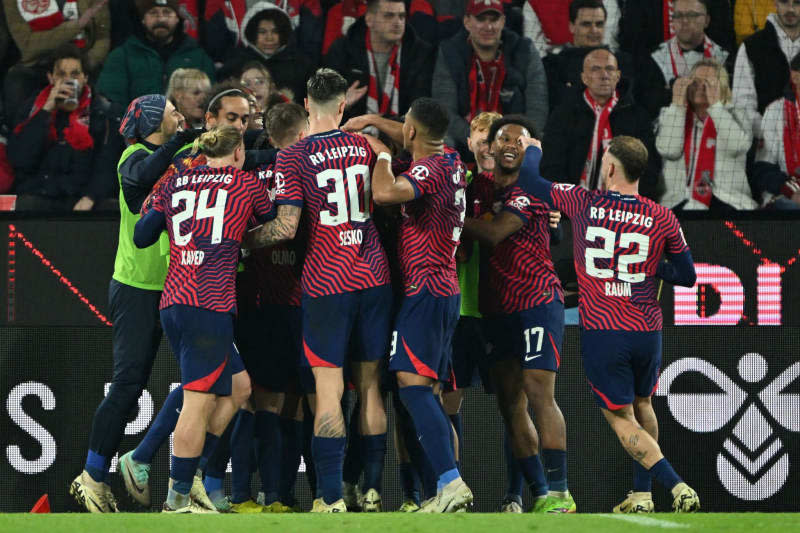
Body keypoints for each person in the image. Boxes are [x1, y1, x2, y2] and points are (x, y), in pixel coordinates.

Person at [516, 134, 700, 514]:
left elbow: (530, 183)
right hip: (647, 328)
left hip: (604, 327)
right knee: (643, 403)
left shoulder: (584, 201)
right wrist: (650, 266)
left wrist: (533, 146)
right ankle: (641, 494)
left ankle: (676, 484)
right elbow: (687, 276)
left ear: (611, 168)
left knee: (619, 416)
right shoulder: (662, 216)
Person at [116, 83, 273, 513]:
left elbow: (143, 234)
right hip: (211, 302)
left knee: (238, 388)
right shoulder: (244, 186)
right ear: (238, 153)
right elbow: (272, 222)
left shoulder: (176, 180)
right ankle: (177, 497)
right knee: (198, 401)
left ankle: (190, 472)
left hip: (175, 298)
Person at [243, 68, 391, 513]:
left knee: (327, 389)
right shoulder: (365, 146)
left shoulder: (294, 156)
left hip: (327, 280)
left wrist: (241, 240)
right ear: (343, 106)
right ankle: (371, 490)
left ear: (307, 105)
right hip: (375, 275)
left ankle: (329, 498)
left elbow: (286, 227)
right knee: (368, 388)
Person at [69, 93, 195, 513]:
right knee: (128, 385)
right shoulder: (133, 156)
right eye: (173, 111)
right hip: (138, 286)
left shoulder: (179, 152)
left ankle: (164, 469)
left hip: (178, 283)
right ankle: (92, 476)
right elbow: (143, 174)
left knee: (204, 381)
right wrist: (177, 146)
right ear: (155, 122)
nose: (181, 116)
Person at [357, 97, 472, 513]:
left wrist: (383, 155)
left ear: (410, 133)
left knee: (412, 387)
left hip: (424, 290)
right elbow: (413, 131)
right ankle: (441, 488)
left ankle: (450, 482)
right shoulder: (454, 160)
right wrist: (373, 119)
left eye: (402, 126)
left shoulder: (430, 169)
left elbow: (386, 192)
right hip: (444, 290)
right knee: (429, 392)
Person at [461, 114, 573, 514]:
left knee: (539, 389)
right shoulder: (478, 188)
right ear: (488, 147)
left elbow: (493, 233)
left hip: (536, 301)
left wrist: (452, 220)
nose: (510, 144)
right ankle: (541, 493)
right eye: (502, 138)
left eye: (518, 140)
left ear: (528, 149)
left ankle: (561, 491)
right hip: (495, 309)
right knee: (510, 404)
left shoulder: (531, 187)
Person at [8, 43, 117, 211]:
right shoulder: (32, 108)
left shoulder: (101, 111)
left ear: (85, 78)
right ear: (50, 78)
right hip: (40, 194)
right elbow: (21, 160)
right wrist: (46, 110)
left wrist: (91, 196)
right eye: (61, 74)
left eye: (75, 74)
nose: (68, 80)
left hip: (81, 196)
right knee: (24, 205)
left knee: (110, 209)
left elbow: (107, 163)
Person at [432, 0, 548, 157]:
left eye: (494, 20)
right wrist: (482, 141)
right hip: (464, 142)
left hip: (514, 144)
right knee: (441, 140)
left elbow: (537, 108)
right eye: (481, 19)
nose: (488, 27)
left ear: (503, 22)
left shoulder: (524, 51)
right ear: (467, 22)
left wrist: (510, 141)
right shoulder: (450, 52)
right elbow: (445, 111)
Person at [541, 48, 660, 200]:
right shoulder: (563, 115)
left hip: (622, 208)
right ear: (584, 78)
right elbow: (551, 165)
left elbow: (648, 167)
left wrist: (630, 203)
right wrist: (567, 203)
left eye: (609, 69)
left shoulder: (637, 116)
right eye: (596, 69)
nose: (604, 75)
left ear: (618, 76)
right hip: (572, 207)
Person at [656, 58, 756, 211]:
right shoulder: (670, 114)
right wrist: (677, 104)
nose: (700, 87)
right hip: (678, 201)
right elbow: (669, 151)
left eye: (708, 83)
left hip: (727, 200)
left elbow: (738, 147)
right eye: (695, 82)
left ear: (722, 87)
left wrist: (716, 107)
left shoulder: (737, 115)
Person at [323, 0, 434, 120]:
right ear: (369, 20)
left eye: (402, 16)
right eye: (388, 16)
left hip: (402, 133)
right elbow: (321, 109)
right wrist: (341, 105)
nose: (397, 23)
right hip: (351, 132)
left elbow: (421, 110)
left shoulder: (420, 53)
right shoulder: (342, 50)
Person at [95, 0, 215, 110]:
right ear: (143, 19)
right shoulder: (122, 56)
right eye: (153, 13)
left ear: (177, 18)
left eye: (167, 13)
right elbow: (111, 100)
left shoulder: (198, 57)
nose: (161, 19)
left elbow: (211, 99)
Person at [2, 0, 110, 116]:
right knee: (17, 81)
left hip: (84, 61)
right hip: (38, 63)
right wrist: (77, 26)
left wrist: (86, 63)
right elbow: (28, 46)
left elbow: (102, 38)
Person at [638, 0, 730, 118]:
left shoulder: (725, 57)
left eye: (692, 15)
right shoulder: (654, 58)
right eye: (679, 15)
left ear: (707, 20)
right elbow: (650, 103)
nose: (684, 21)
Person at [542, 0, 635, 111]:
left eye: (599, 24)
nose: (594, 30)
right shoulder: (552, 65)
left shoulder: (623, 63)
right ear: (571, 26)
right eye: (586, 24)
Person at [220, 2, 315, 103]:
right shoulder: (234, 65)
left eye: (275, 31)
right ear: (252, 34)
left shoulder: (301, 64)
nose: (269, 38)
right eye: (262, 32)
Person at [733, 0, 800, 139]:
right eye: (784, 1)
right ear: (775, 2)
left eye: (797, 3)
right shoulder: (751, 47)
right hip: (765, 149)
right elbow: (742, 105)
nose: (790, 9)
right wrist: (772, 134)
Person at [752, 52, 800, 209]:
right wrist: (791, 190)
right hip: (785, 196)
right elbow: (762, 171)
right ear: (795, 77)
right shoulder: (775, 111)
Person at [618, 0, 734, 64]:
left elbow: (722, 38)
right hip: (655, 74)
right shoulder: (639, 3)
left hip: (706, 68)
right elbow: (633, 42)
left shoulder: (716, 3)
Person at [522, 0, 621, 58]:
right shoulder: (533, 3)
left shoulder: (607, 1)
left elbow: (609, 44)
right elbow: (535, 50)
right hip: (557, 66)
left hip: (599, 61)